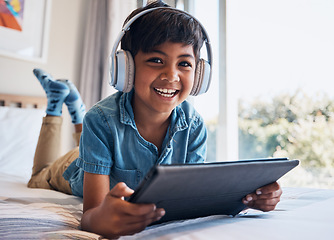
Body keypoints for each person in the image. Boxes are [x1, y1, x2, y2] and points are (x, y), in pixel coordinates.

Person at [28, 1, 282, 238]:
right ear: (125, 67)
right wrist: (102, 219)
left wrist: (248, 197)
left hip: (100, 140)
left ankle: (74, 105)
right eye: (156, 60)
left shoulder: (194, 127)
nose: (171, 75)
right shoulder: (100, 119)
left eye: (184, 63)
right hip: (73, 169)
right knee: (38, 175)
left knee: (96, 132)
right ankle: (55, 104)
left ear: (200, 74)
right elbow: (91, 215)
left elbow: (191, 198)